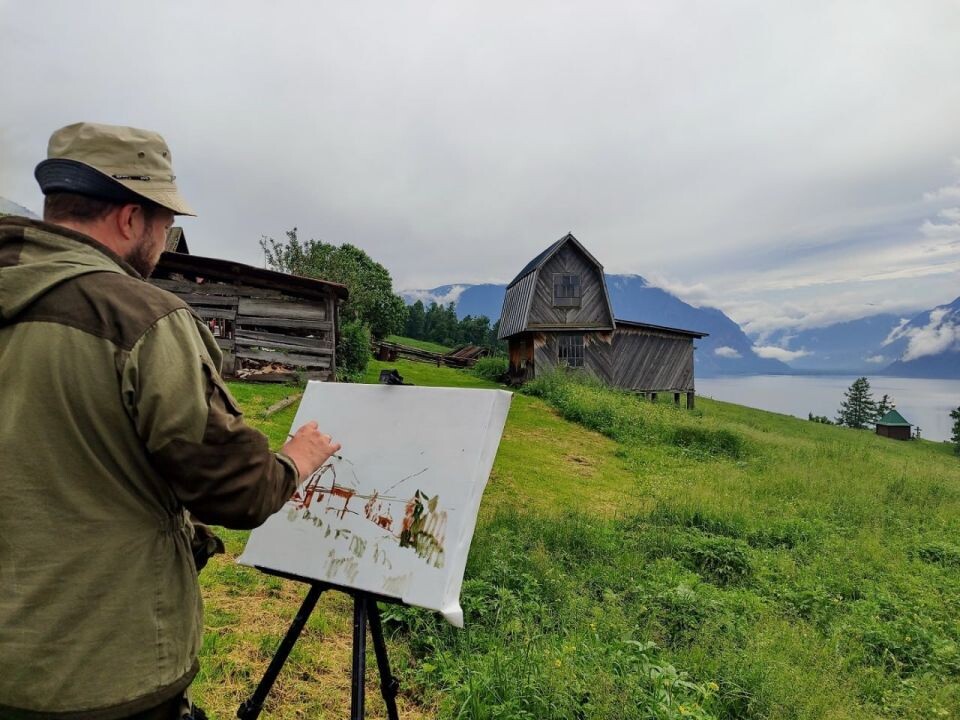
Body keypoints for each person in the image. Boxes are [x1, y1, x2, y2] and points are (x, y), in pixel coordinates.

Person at [0, 122, 341, 720]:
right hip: (102, 669)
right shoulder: (141, 317)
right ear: (131, 220)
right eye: (164, 223)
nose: (164, 240)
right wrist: (296, 458)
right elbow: (235, 491)